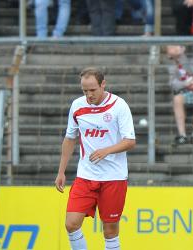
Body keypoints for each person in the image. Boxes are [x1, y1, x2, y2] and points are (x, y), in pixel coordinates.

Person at [54, 67, 136, 250]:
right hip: (86, 175)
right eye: (85, 91)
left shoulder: (119, 105)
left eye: (93, 90)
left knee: (110, 231)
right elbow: (69, 138)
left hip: (113, 177)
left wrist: (107, 150)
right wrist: (61, 171)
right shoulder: (77, 106)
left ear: (103, 84)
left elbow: (130, 141)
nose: (89, 95)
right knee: (71, 224)